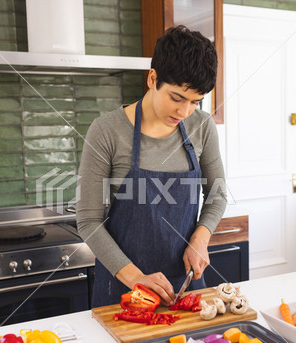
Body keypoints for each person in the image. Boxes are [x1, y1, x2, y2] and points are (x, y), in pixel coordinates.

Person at [76, 25, 227, 308]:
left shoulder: (202, 127)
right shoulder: (107, 131)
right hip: (125, 290)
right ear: (152, 78)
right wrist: (136, 278)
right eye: (177, 98)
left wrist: (201, 237)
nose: (184, 112)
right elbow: (88, 221)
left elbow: (217, 195)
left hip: (186, 286)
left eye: (196, 101)